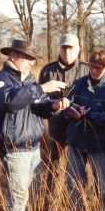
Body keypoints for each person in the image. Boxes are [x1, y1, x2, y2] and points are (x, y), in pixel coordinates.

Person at [0, 39, 70, 211]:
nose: (31, 62)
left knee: (30, 195)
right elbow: (10, 102)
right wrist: (42, 88)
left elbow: (39, 106)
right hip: (15, 149)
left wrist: (54, 106)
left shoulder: (30, 80)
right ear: (13, 55)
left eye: (33, 59)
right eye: (27, 58)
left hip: (34, 147)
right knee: (18, 198)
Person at [65, 48, 105, 211]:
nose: (95, 71)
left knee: (103, 186)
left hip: (100, 144)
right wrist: (72, 112)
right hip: (76, 141)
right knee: (73, 183)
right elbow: (67, 105)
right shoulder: (79, 83)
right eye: (92, 67)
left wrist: (90, 115)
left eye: (99, 68)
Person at [39, 33, 89, 192]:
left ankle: (84, 208)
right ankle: (51, 208)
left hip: (82, 129)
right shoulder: (48, 71)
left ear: (79, 49)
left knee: (84, 169)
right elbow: (39, 101)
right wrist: (53, 107)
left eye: (70, 48)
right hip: (57, 129)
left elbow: (96, 98)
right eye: (63, 48)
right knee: (55, 168)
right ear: (59, 49)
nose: (67, 52)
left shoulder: (87, 70)